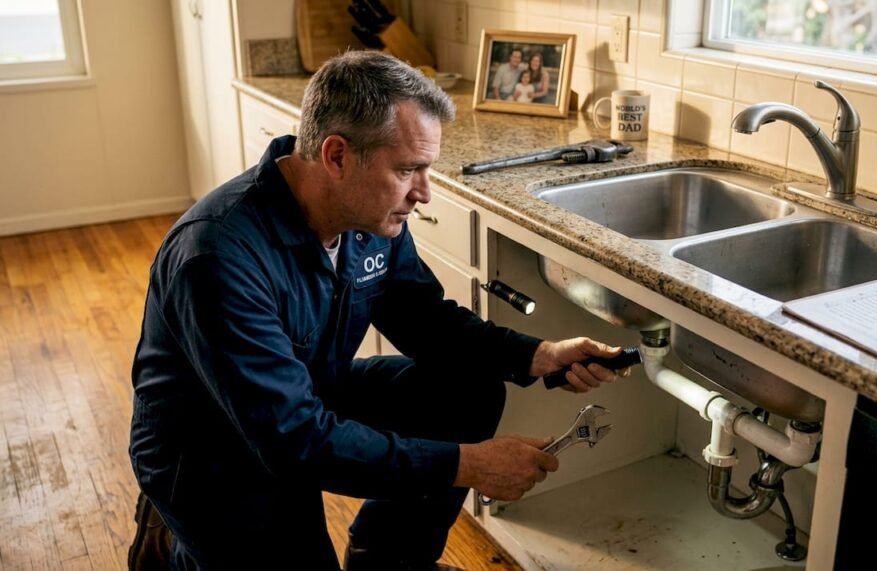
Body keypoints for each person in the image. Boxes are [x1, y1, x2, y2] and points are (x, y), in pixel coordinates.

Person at [128, 50, 627, 571]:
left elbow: (425, 319)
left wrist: (540, 355)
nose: (424, 193)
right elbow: (293, 440)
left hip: (306, 394)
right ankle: (173, 548)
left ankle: (386, 562)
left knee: (468, 388)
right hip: (215, 451)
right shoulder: (217, 257)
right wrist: (468, 464)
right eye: (409, 169)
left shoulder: (366, 213)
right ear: (338, 156)